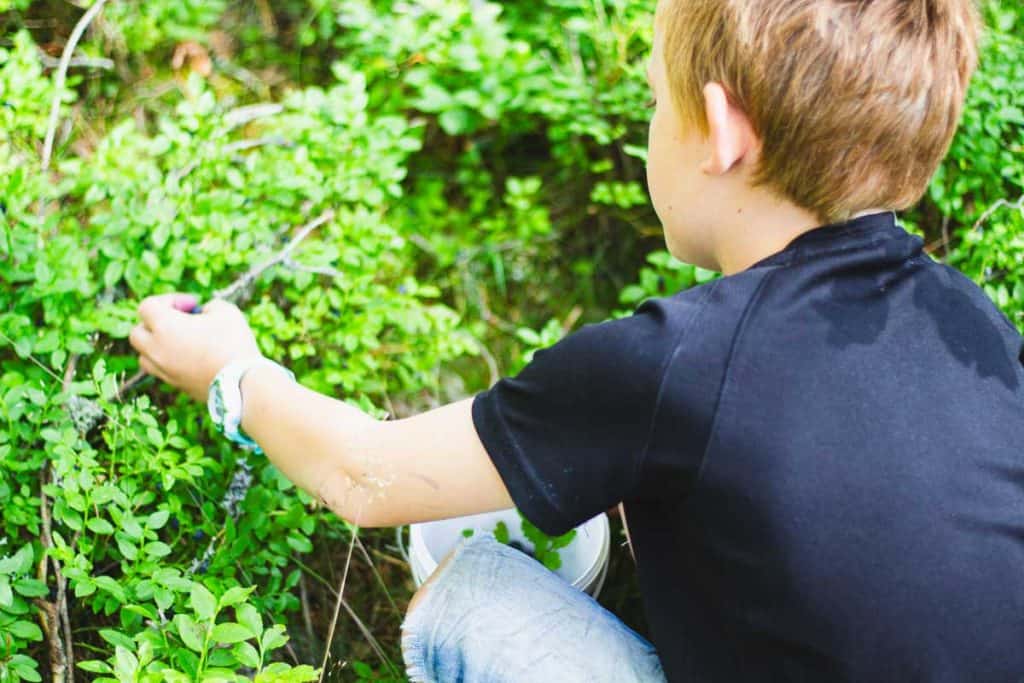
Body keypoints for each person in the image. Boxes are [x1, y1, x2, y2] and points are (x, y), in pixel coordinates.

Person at [129, 0, 1024, 680]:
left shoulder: (679, 361)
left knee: (469, 593)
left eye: (652, 103)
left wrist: (230, 370)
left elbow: (365, 477)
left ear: (718, 131)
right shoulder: (975, 326)